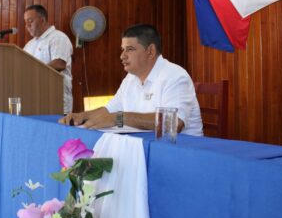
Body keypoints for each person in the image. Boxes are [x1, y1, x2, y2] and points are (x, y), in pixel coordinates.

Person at [59, 24, 203, 136]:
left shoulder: (175, 76)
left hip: (181, 152)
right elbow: (109, 110)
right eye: (123, 49)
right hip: (144, 146)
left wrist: (119, 118)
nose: (122, 56)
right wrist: (82, 116)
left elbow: (172, 123)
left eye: (130, 49)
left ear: (150, 51)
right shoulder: (130, 78)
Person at [23, 4, 73, 114]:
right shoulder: (29, 45)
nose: (27, 25)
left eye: (30, 20)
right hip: (34, 102)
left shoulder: (58, 38)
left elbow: (59, 64)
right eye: (25, 21)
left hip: (56, 103)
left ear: (42, 20)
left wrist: (31, 72)